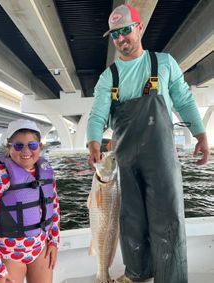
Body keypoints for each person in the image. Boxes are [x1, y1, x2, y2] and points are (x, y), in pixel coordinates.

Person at [87, 4, 209, 283]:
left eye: (126, 31)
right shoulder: (109, 77)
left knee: (168, 220)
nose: (121, 39)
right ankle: (136, 273)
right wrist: (93, 142)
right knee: (130, 221)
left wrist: (201, 134)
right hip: (125, 162)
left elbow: (184, 100)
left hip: (162, 158)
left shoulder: (164, 63)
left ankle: (172, 278)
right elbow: (97, 115)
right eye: (115, 34)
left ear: (139, 28)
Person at [0, 119, 60, 283]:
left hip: (40, 251)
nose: (26, 151)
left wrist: (54, 242)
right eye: (19, 145)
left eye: (33, 145)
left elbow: (54, 208)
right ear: (9, 147)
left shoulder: (45, 171)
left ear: (40, 147)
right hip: (9, 256)